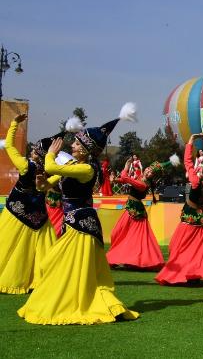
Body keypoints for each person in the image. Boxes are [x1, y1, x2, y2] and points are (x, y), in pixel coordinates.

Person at [18, 104, 139, 324]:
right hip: (73, 224)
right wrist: (41, 181)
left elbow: (53, 168)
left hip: (82, 226)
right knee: (60, 264)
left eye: (76, 143)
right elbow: (46, 185)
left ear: (85, 149)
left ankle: (79, 303)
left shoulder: (86, 169)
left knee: (62, 264)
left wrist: (51, 154)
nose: (72, 145)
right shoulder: (74, 165)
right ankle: (76, 300)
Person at [155, 134, 203, 285]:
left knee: (183, 248)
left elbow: (188, 162)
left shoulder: (195, 181)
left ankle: (191, 274)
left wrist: (191, 142)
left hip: (190, 218)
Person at [0, 114, 58, 294]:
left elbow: (9, 146)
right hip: (38, 216)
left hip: (16, 213)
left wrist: (14, 124)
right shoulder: (50, 170)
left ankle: (12, 278)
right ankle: (43, 280)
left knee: (9, 246)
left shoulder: (26, 166)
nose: (31, 149)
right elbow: (53, 181)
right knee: (40, 250)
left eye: (34, 148)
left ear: (36, 153)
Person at [106, 156, 178, 270]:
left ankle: (119, 259)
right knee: (118, 233)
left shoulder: (143, 185)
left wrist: (127, 166)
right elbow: (125, 180)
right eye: (149, 169)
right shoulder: (140, 178)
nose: (148, 171)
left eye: (151, 172)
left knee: (123, 235)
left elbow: (125, 177)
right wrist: (115, 180)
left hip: (135, 212)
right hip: (132, 209)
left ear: (153, 176)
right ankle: (122, 258)